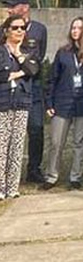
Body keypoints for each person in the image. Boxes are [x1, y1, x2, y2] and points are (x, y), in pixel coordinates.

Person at [41, 17, 83, 191]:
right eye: (73, 28)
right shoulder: (63, 52)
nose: (75, 31)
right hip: (62, 103)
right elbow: (52, 78)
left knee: (80, 142)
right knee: (56, 142)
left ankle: (75, 177)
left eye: (79, 28)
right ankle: (51, 176)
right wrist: (49, 102)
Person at [3, 0, 48, 184]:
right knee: (7, 132)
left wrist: (26, 68)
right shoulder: (4, 29)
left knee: (36, 128)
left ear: (24, 8)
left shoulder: (39, 30)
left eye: (12, 7)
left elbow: (38, 59)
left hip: (33, 86)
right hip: (8, 87)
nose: (9, 10)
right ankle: (5, 174)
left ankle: (34, 169)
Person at [0, 15, 40, 200]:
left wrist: (18, 56)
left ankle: (12, 187)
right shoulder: (1, 51)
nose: (19, 31)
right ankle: (1, 187)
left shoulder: (27, 51)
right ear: (7, 30)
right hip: (4, 102)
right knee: (2, 147)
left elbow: (34, 70)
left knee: (17, 145)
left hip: (22, 101)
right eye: (15, 27)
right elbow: (2, 75)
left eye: (22, 28)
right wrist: (20, 72)